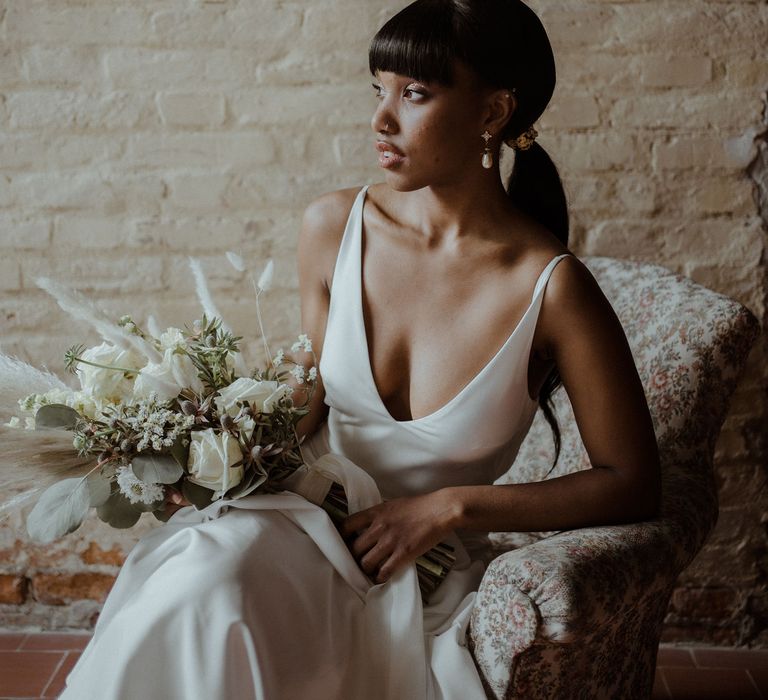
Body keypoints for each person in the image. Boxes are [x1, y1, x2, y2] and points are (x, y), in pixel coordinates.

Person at [59, 1, 660, 698]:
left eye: (415, 94)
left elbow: (633, 482)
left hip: (416, 569)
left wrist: (450, 508)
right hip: (301, 524)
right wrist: (208, 450)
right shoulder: (332, 225)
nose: (381, 120)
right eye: (378, 88)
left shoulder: (552, 289)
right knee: (207, 586)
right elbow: (312, 406)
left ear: (493, 112)